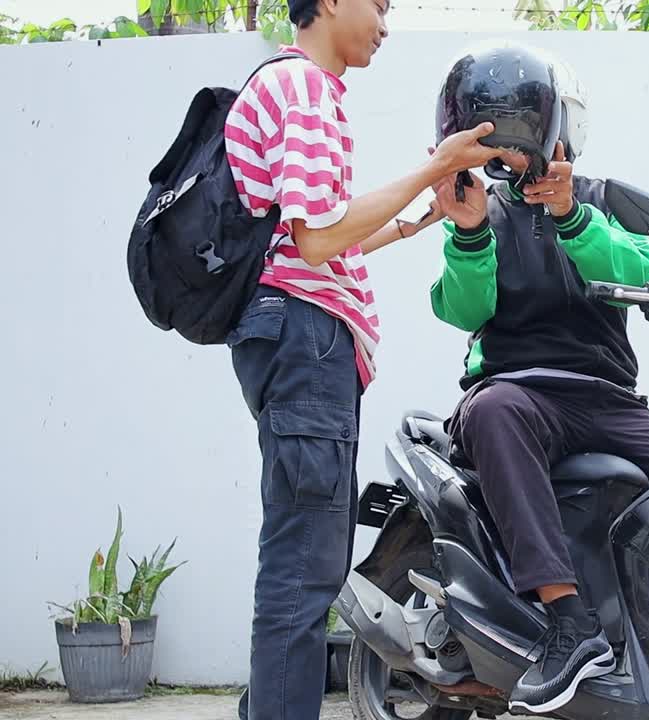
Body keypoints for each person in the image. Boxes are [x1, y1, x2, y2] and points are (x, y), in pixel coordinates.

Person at [222, 3, 502, 719]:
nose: (385, 19)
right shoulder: (305, 88)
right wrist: (435, 165)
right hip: (307, 342)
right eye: (378, 3)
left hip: (301, 339)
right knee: (304, 568)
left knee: (303, 553)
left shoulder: (294, 87)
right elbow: (315, 242)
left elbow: (309, 238)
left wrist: (413, 221)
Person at [429, 43, 649, 715]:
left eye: (519, 139)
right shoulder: (478, 213)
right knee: (494, 411)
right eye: (495, 146)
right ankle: (571, 624)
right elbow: (461, 308)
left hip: (605, 399)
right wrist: (466, 236)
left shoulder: (601, 202)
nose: (510, 161)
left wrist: (572, 219)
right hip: (518, 394)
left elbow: (644, 276)